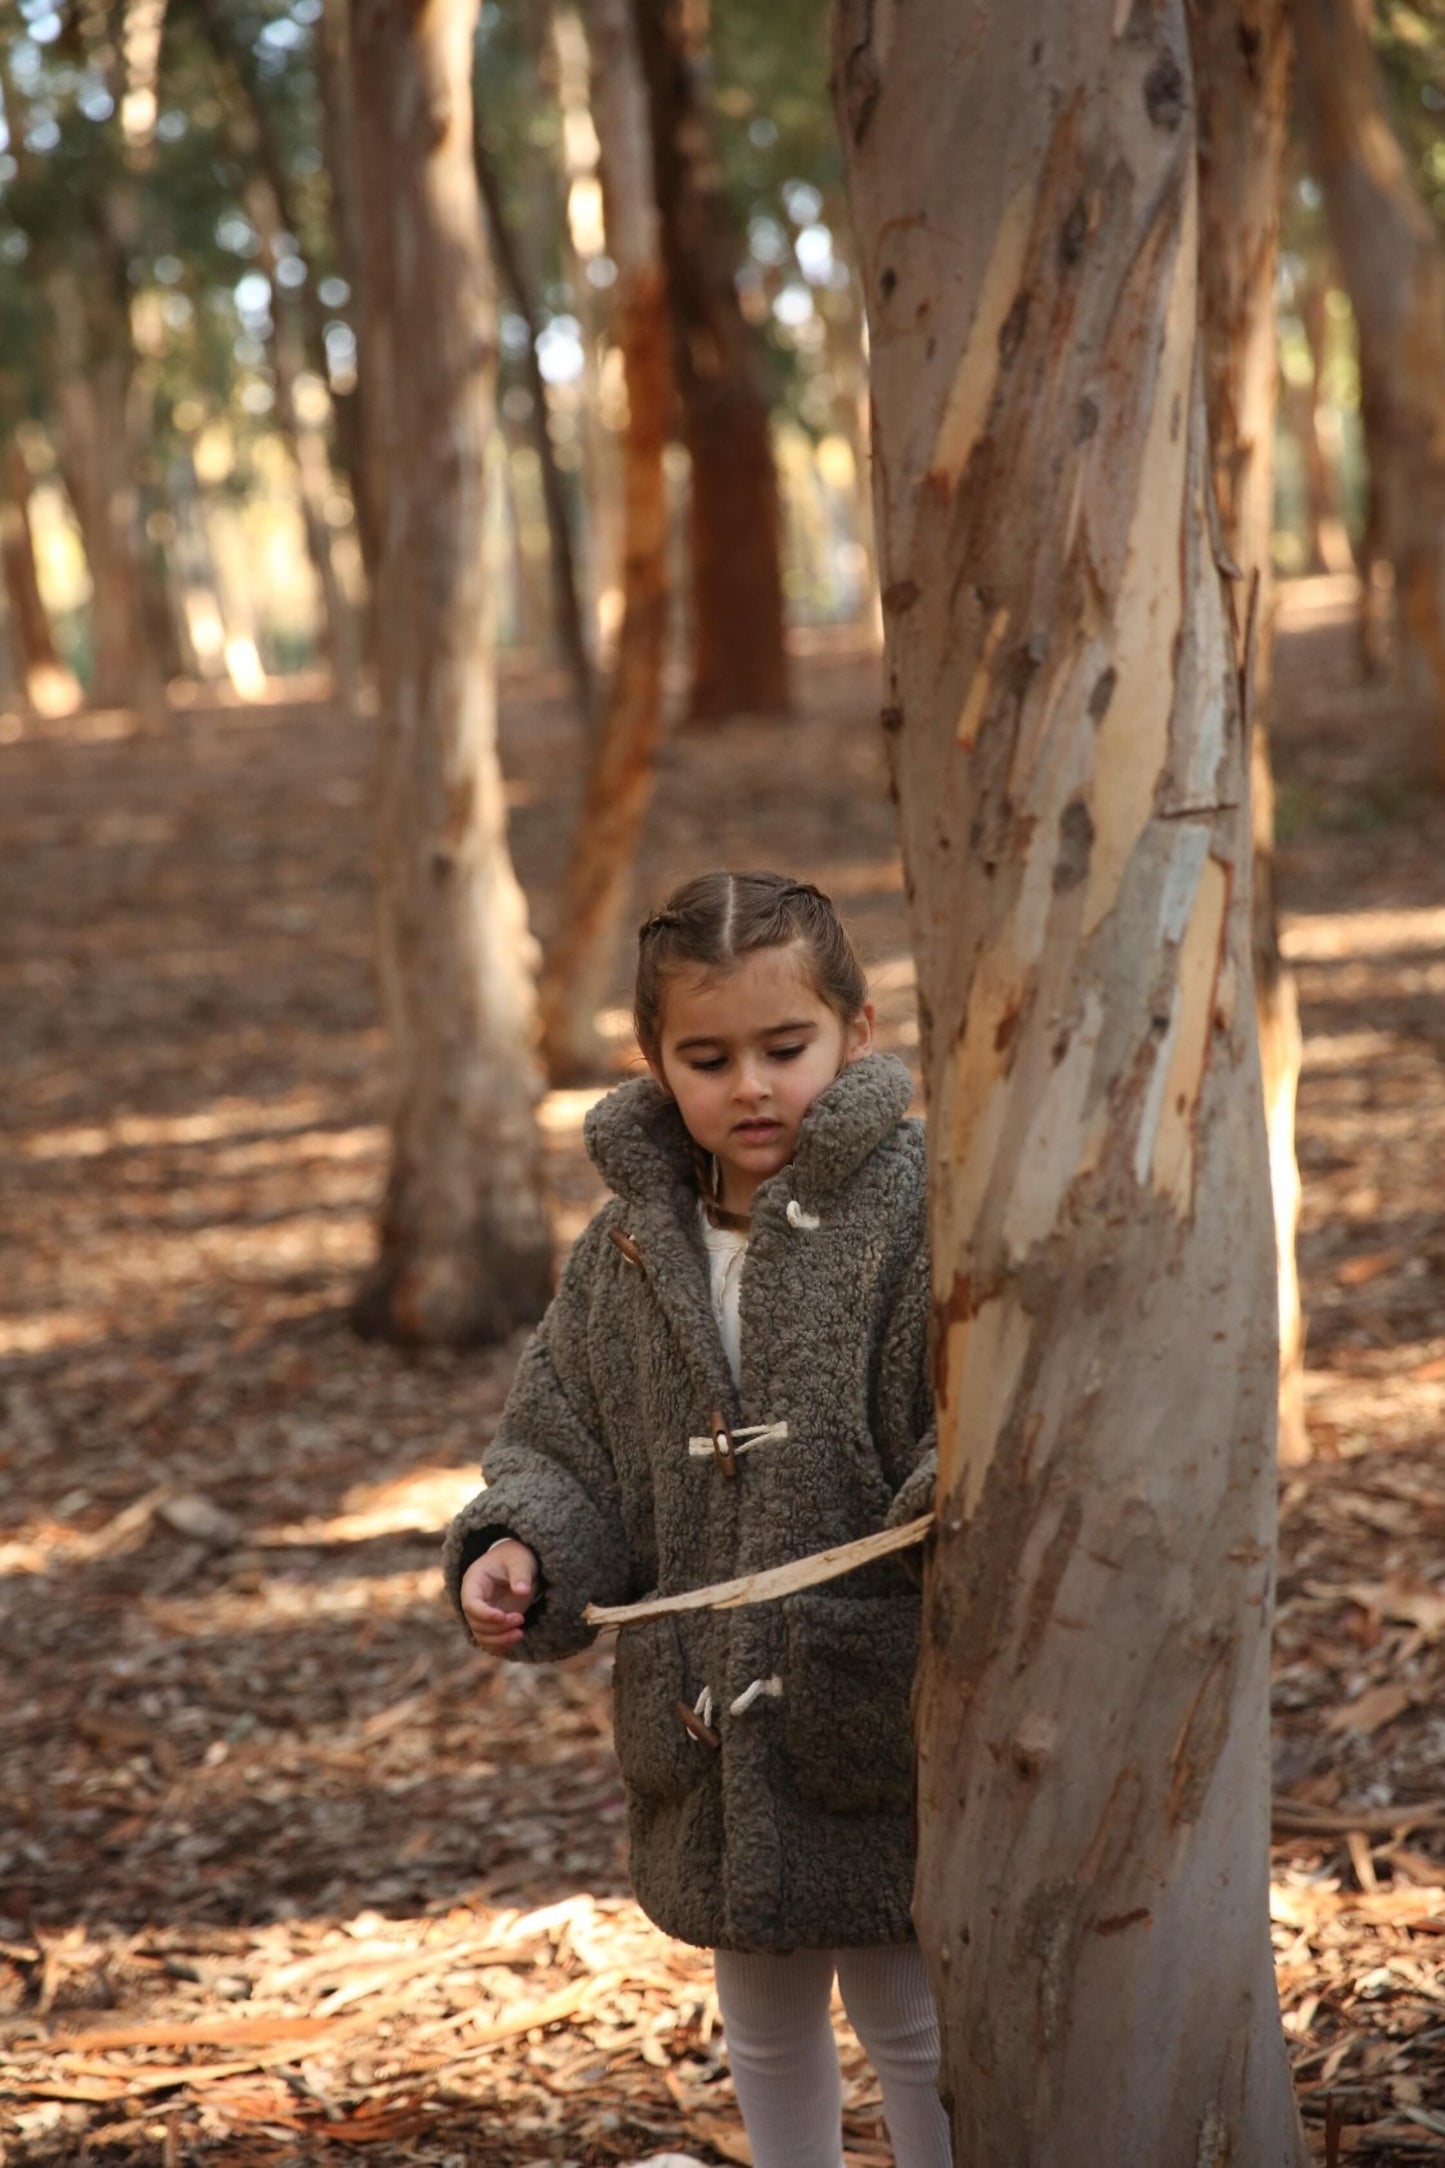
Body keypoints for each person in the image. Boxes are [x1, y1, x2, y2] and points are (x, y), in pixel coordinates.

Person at [443, 869, 948, 2168]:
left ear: (859, 1030)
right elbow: (563, 1437)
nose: (752, 1087)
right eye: (707, 1058)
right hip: (709, 1715)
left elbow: (980, 1406)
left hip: (884, 1699)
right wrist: (523, 1545)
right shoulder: (627, 1250)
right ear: (655, 1063)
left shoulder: (916, 1210)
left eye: (786, 1048)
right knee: (765, 2025)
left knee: (917, 2017)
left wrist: (951, 1507)